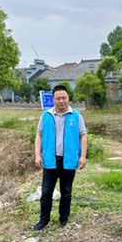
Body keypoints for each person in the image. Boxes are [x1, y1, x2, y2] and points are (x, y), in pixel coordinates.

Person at [33, 85, 87, 230]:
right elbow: (39, 134)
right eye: (58, 98)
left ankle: (64, 219)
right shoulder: (46, 115)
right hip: (50, 160)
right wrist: (38, 155)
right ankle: (43, 220)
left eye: (64, 98)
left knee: (66, 192)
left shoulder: (76, 116)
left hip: (68, 160)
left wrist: (82, 156)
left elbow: (83, 135)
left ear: (68, 98)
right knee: (46, 192)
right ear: (53, 100)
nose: (61, 101)